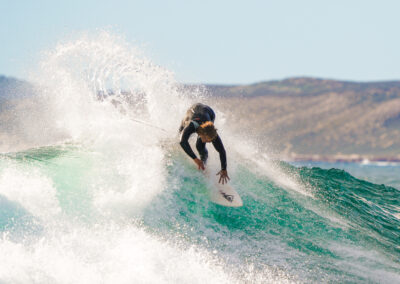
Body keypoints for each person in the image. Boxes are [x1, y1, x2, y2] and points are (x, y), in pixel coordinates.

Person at [179, 103, 230, 184]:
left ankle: (203, 165)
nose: (208, 142)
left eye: (210, 141)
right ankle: (199, 162)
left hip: (210, 113)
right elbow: (182, 142)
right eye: (207, 140)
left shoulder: (211, 132)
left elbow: (221, 151)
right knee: (181, 134)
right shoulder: (191, 125)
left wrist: (224, 169)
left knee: (199, 146)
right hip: (192, 111)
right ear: (202, 134)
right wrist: (195, 159)